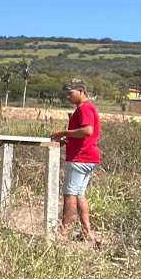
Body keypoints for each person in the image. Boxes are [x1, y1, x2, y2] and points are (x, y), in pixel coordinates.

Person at [49, 79, 100, 243]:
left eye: (70, 93)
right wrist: (68, 139)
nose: (68, 97)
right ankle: (87, 232)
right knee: (79, 194)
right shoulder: (85, 108)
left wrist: (64, 132)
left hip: (80, 157)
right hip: (88, 156)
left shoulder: (84, 108)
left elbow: (87, 131)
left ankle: (64, 233)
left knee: (69, 195)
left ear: (81, 91)